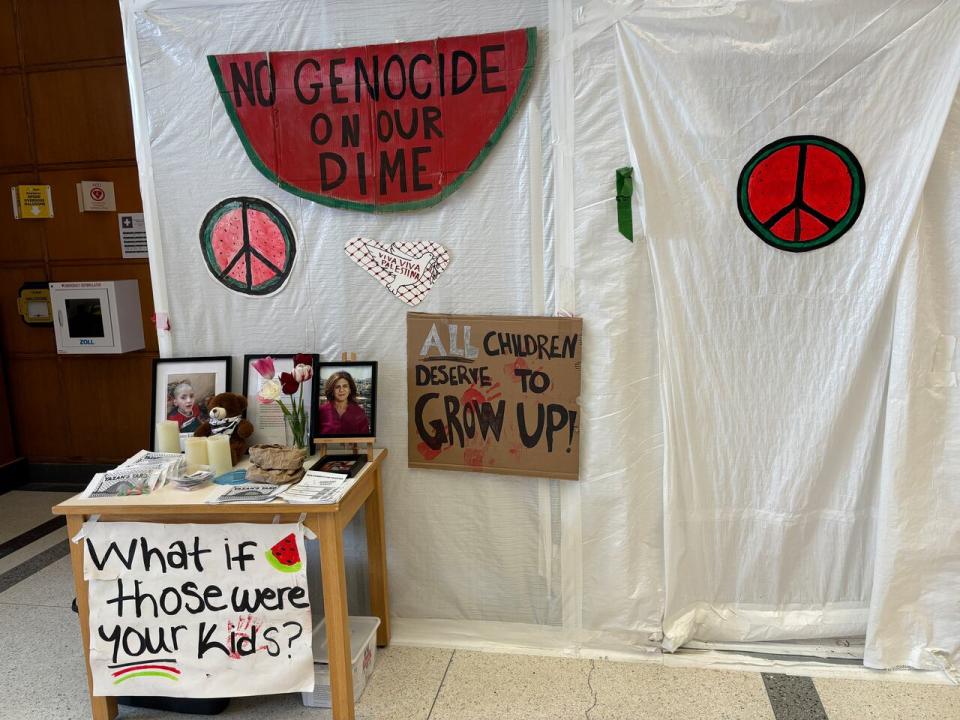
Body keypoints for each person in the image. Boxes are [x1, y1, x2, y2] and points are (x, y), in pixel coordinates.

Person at [318, 371, 370, 435]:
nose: (341, 390)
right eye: (337, 387)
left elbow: (365, 439)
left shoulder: (359, 412)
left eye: (345, 386)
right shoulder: (321, 411)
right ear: (332, 390)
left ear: (350, 389)